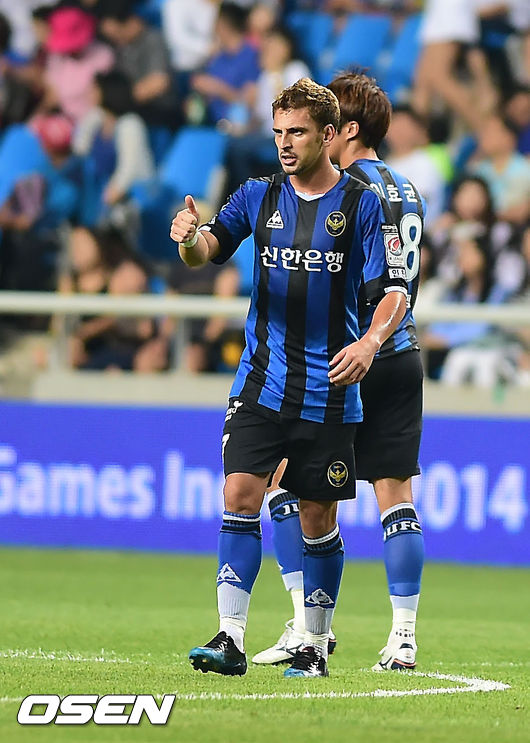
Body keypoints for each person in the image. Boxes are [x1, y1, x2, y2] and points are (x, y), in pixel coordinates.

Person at [170, 78, 408, 678]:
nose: (284, 142)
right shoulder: (258, 194)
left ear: (328, 135)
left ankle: (313, 643)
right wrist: (189, 239)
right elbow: (207, 249)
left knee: (317, 518)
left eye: (296, 132)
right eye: (278, 131)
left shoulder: (362, 205)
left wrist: (370, 342)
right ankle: (230, 636)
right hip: (261, 381)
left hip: (329, 388)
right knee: (239, 494)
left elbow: (394, 292)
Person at [252, 72, 426, 673]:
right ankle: (403, 638)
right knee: (396, 497)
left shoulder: (345, 193)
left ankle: (308, 628)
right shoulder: (408, 188)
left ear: (343, 131)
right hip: (401, 350)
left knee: (285, 481)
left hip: (342, 357)